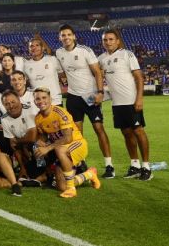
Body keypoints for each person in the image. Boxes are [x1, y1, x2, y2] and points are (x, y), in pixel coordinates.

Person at [56, 24, 114, 178]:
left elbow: (97, 72)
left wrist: (100, 92)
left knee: (99, 129)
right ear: (59, 38)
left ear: (74, 36)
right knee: (77, 134)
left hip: (90, 95)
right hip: (73, 97)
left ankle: (109, 165)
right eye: (63, 35)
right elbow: (62, 73)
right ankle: (80, 164)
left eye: (69, 34)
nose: (66, 37)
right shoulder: (59, 52)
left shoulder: (85, 50)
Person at [98, 29, 152, 180]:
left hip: (131, 100)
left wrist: (139, 98)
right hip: (117, 103)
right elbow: (97, 73)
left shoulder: (127, 54)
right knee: (126, 133)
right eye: (105, 40)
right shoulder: (101, 58)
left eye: (110, 39)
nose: (108, 42)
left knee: (138, 131)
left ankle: (146, 167)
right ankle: (134, 165)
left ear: (117, 41)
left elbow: (139, 77)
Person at [33, 87, 101, 198]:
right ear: (34, 102)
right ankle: (90, 174)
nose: (41, 101)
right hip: (62, 151)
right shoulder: (38, 118)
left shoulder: (60, 112)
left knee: (59, 149)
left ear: (50, 98)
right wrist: (41, 142)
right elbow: (43, 135)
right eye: (38, 99)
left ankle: (71, 189)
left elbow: (68, 138)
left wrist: (48, 148)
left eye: (44, 98)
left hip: (78, 144)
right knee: (61, 186)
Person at [0, 90, 44, 186]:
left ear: (19, 100)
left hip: (42, 143)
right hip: (26, 148)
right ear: (3, 106)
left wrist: (19, 142)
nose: (11, 106)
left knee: (37, 145)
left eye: (13, 102)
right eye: (7, 104)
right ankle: (27, 172)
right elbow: (13, 146)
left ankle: (46, 173)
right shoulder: (4, 119)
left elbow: (32, 137)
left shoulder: (30, 110)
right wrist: (22, 167)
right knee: (28, 171)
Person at [24, 37, 63, 105]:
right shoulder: (26, 65)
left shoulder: (52, 60)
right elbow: (25, 82)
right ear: (29, 49)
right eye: (31, 46)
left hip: (55, 101)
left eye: (37, 45)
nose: (34, 48)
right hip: (38, 103)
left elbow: (61, 74)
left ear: (42, 48)